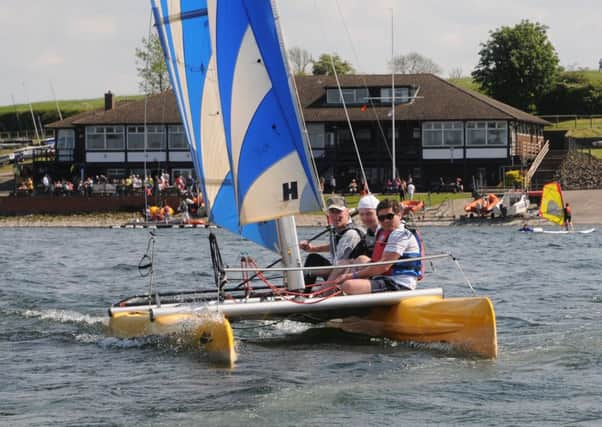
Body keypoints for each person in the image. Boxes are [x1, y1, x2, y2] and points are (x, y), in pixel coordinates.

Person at [336, 199, 422, 294]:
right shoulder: (382, 231)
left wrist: (352, 276)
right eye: (381, 218)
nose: (385, 221)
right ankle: (328, 293)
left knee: (348, 285)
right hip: (383, 278)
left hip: (398, 282)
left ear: (399, 215)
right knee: (359, 260)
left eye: (389, 216)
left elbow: (383, 266)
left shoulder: (400, 234)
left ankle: (341, 300)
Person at [299, 196, 363, 287]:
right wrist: (312, 248)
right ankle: (303, 291)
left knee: (311, 263)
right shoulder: (339, 231)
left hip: (346, 278)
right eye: (332, 212)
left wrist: (310, 272)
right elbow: (334, 246)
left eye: (339, 211)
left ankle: (303, 293)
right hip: (339, 272)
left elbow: (339, 268)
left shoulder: (350, 235)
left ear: (347, 212)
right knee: (313, 258)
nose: (335, 216)